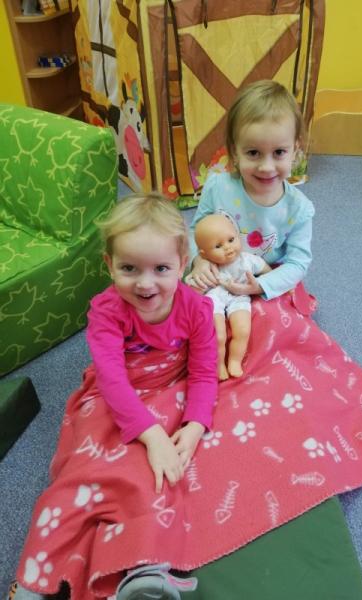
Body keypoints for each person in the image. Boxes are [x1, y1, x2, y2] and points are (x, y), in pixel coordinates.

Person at [11, 193, 217, 600]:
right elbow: (111, 379)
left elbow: (204, 372)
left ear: (183, 263)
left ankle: (144, 566)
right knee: (83, 471)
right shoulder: (106, 311)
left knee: (159, 473)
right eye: (129, 268)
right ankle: (35, 578)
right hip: (114, 395)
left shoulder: (197, 309)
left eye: (161, 268)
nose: (145, 283)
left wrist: (194, 426)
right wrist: (150, 434)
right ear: (109, 265)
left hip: (169, 389)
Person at [186, 79, 315, 304]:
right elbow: (196, 231)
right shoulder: (218, 187)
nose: (266, 167)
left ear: (295, 150)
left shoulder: (299, 208)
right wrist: (199, 260)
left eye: (279, 152)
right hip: (217, 271)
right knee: (178, 302)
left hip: (264, 277)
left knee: (278, 320)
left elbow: (298, 263)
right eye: (253, 153)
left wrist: (261, 286)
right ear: (235, 152)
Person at [187, 213, 271, 380]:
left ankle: (234, 361)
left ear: (238, 236)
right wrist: (197, 285)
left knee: (243, 330)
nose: (227, 247)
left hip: (240, 296)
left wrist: (263, 283)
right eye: (218, 246)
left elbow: (268, 272)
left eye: (231, 240)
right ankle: (219, 365)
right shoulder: (207, 267)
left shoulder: (248, 260)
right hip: (214, 297)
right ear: (203, 254)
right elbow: (192, 292)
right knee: (218, 335)